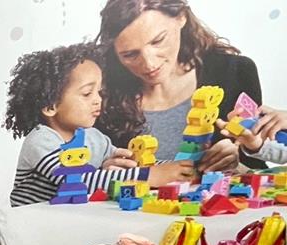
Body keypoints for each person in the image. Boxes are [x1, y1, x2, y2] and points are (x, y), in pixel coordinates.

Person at [5, 42, 194, 206]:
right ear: (50, 106)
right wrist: (148, 175)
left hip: (70, 220)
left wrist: (180, 168)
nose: (98, 100)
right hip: (32, 222)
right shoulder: (41, 141)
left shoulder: (94, 138)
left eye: (99, 92)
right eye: (87, 94)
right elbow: (74, 180)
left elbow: (133, 163)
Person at [95, 0, 263, 170]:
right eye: (130, 55)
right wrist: (102, 171)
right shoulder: (99, 92)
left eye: (158, 41)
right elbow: (86, 161)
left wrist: (240, 161)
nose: (149, 64)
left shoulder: (235, 72)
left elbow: (259, 165)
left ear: (181, 17)